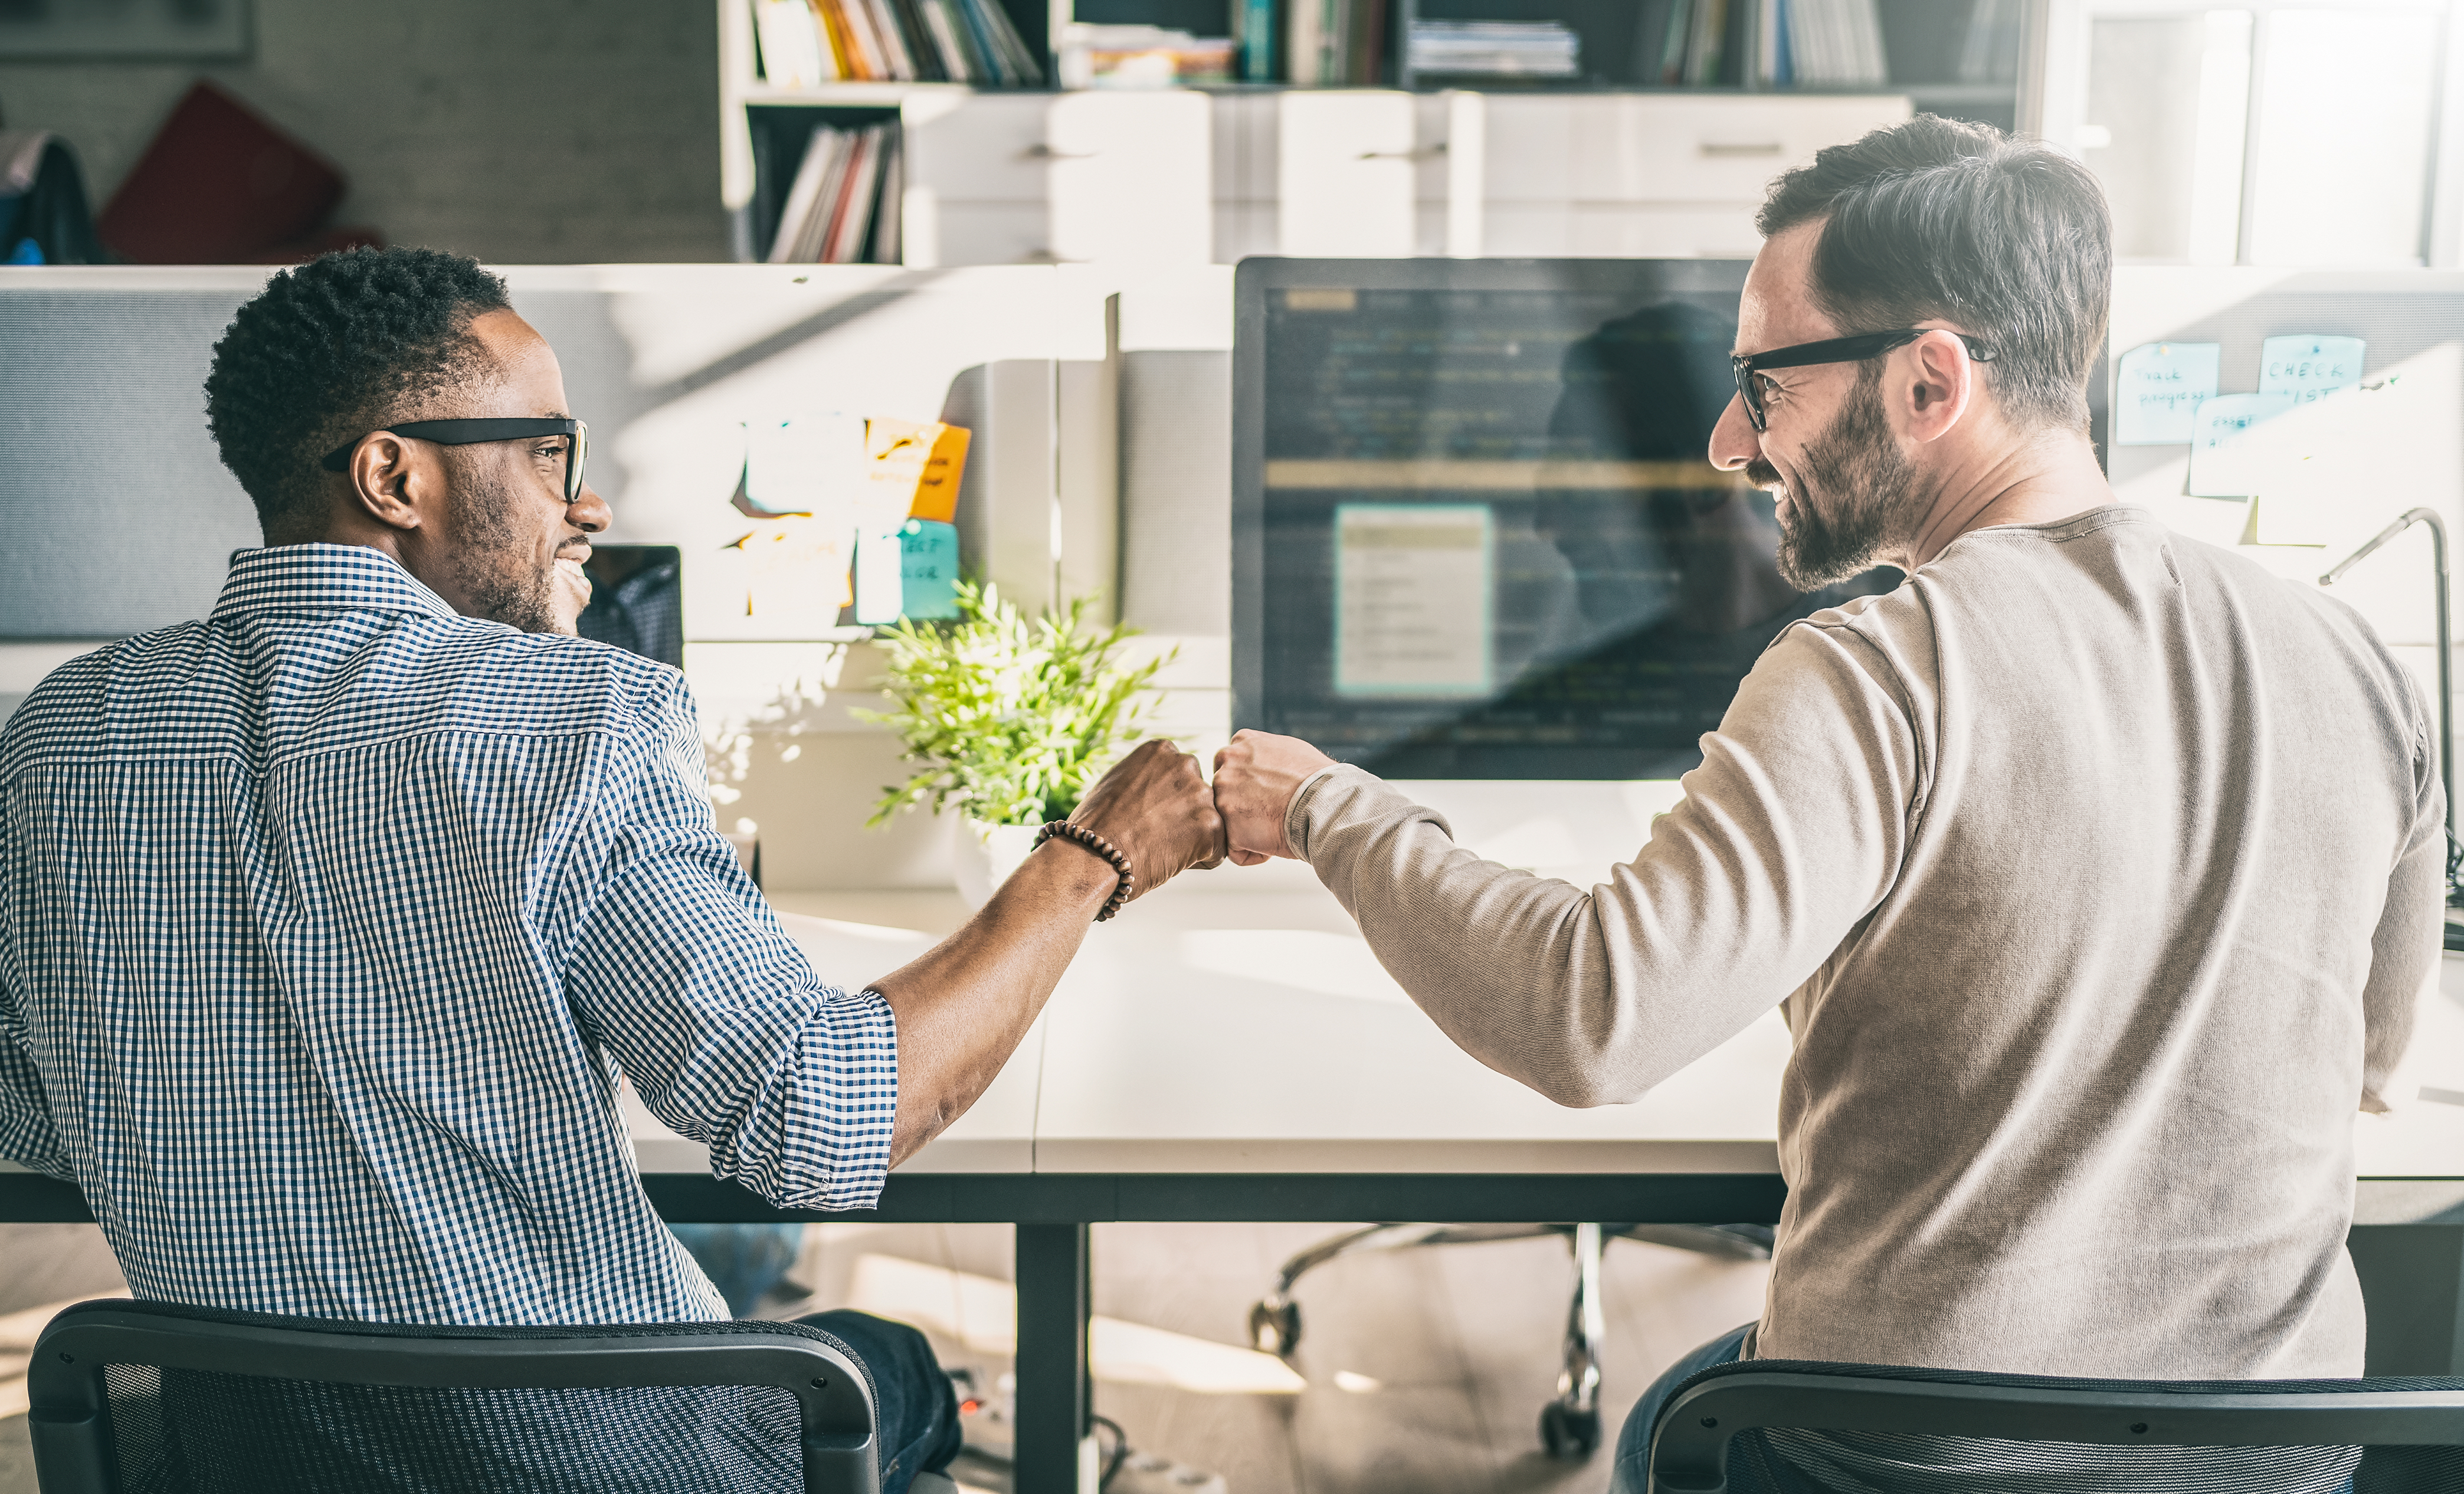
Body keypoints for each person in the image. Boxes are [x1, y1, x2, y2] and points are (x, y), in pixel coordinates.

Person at [1214, 116, 2441, 1492]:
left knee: (1672, 1422)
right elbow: (2374, 1063)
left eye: (1765, 382)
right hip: (2274, 1464)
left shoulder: (1878, 669)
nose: (1734, 441)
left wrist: (1325, 805)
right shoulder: (2356, 660)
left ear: (1931, 381)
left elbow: (1591, 1016)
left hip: (1913, 1459)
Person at [0, 245, 1226, 1493]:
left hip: (250, 1458)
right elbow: (824, 1119)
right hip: (594, 1464)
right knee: (885, 1361)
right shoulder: (573, 715)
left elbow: (29, 1114)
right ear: (392, 476)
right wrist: (1090, 858)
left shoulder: (60, 734)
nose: (583, 506)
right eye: (549, 454)